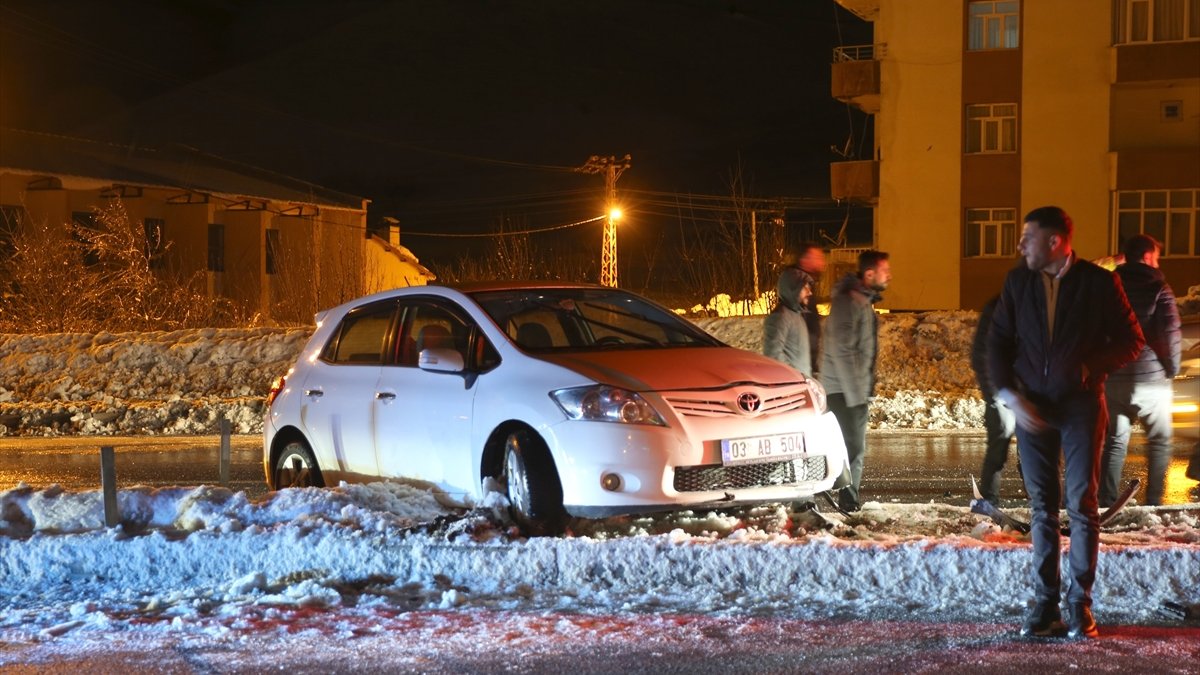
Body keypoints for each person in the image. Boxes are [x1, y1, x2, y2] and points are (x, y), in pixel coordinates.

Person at [988, 206, 1143, 640]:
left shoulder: (1099, 282)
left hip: (1080, 407)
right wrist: (1011, 395)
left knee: (1082, 506)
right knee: (1042, 507)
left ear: (1055, 241)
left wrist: (1089, 367)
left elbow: (1132, 339)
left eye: (1027, 237)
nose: (1020, 246)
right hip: (1032, 408)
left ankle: (1080, 606)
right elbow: (998, 342)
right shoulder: (1018, 282)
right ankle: (1044, 603)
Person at [1100, 234, 1181, 507]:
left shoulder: (1109, 287)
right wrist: (1171, 368)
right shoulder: (1159, 287)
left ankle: (1106, 501)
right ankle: (1154, 501)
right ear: (1148, 257)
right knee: (1159, 442)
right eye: (1156, 256)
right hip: (1151, 380)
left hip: (1114, 377)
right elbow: (1169, 333)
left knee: (1114, 442)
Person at [821, 249, 890, 513]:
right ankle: (848, 504)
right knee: (852, 451)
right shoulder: (849, 302)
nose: (889, 276)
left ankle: (848, 500)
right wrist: (856, 394)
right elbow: (843, 350)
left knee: (853, 450)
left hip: (851, 389)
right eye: (886, 271)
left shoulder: (860, 300)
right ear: (870, 273)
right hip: (844, 391)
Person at [971, 294, 1016, 505]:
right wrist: (994, 392)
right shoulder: (999, 307)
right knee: (998, 447)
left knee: (1035, 452)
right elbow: (981, 353)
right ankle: (989, 500)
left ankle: (1042, 500)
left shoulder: (1038, 306)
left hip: (1029, 390)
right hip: (1002, 391)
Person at [763, 268, 814, 377]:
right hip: (791, 388)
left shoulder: (797, 315)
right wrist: (796, 376)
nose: (810, 292)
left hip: (801, 385)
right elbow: (773, 354)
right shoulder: (780, 317)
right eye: (805, 288)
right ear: (793, 289)